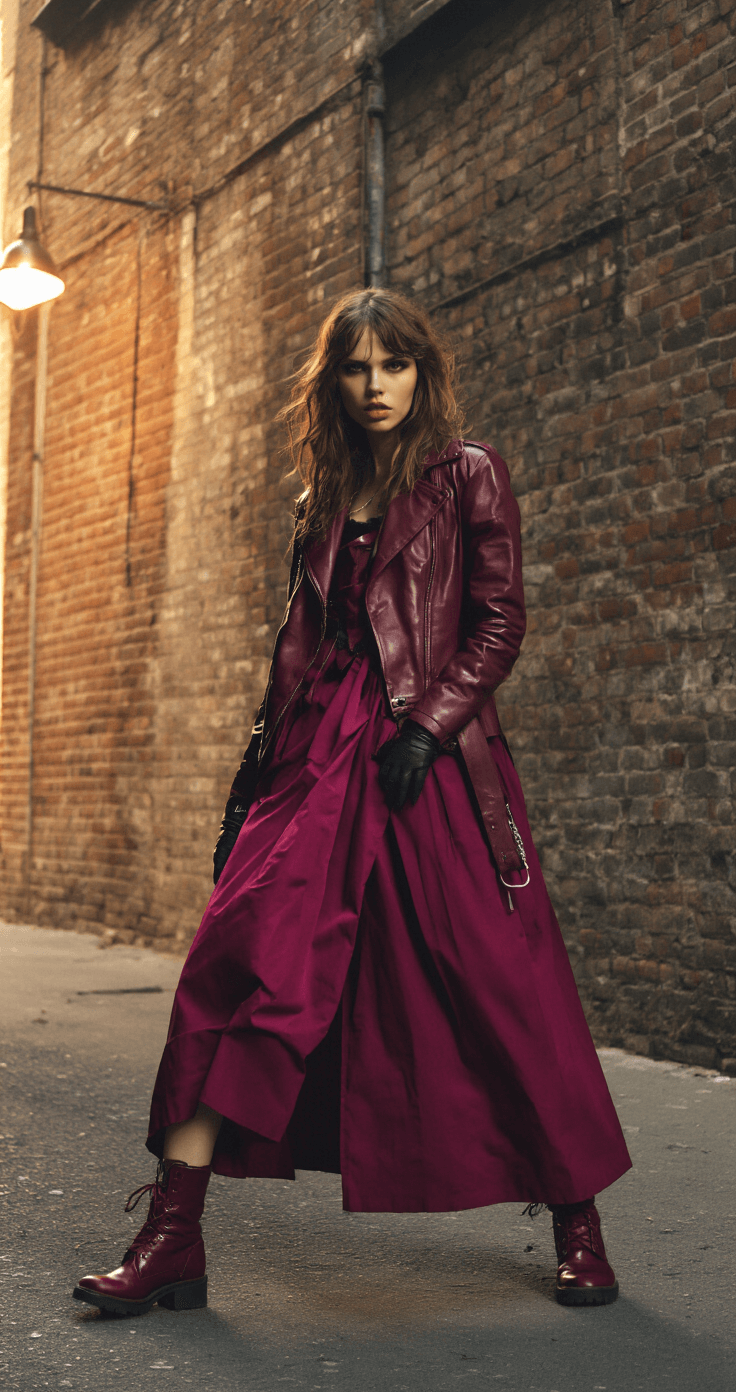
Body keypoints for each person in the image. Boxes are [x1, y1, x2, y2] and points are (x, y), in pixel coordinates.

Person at [73, 288, 631, 1318]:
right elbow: (296, 654)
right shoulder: (320, 500)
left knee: (500, 992)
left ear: (422, 374)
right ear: (331, 383)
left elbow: (499, 620)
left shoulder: (468, 475)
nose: (375, 387)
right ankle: (171, 1235)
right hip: (311, 768)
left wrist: (429, 725)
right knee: (227, 974)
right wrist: (254, 786)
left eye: (393, 366)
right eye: (355, 368)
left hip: (429, 761)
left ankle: (578, 1223)